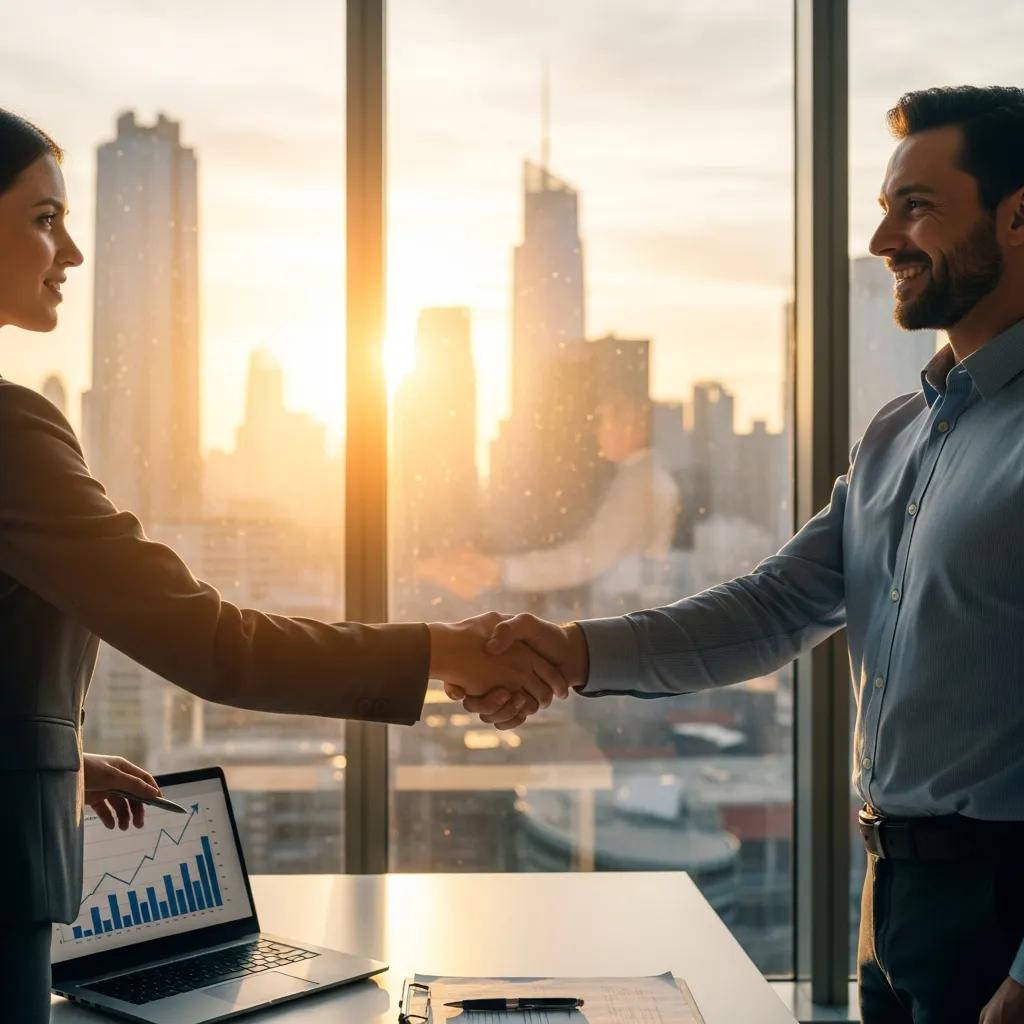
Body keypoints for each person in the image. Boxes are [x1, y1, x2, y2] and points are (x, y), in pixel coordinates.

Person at [456, 86, 1024, 1024]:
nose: (883, 240)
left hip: (1006, 906)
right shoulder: (897, 436)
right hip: (893, 897)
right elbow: (773, 607)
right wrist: (568, 651)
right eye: (884, 208)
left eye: (916, 207)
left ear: (1017, 217)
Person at [0, 108, 564, 1021]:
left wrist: (50, 759)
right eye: (44, 219)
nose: (71, 252)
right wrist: (446, 651)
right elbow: (213, 645)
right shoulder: (12, 431)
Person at [417, 388, 680, 610]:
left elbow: (588, 558)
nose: (595, 431)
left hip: (622, 617)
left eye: (602, 420)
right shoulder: (639, 477)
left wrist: (502, 570)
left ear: (632, 425)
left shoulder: (640, 483)